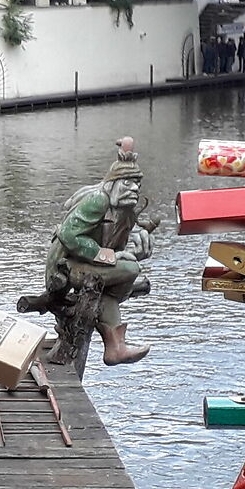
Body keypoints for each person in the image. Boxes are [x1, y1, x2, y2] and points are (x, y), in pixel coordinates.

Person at [44, 138, 153, 365]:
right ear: (113, 183)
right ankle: (114, 345)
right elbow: (69, 235)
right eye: (127, 183)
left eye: (137, 184)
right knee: (131, 269)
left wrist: (135, 246)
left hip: (87, 266)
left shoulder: (125, 210)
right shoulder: (98, 200)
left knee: (110, 290)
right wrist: (109, 256)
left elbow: (116, 245)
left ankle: (115, 347)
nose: (134, 188)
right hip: (64, 267)